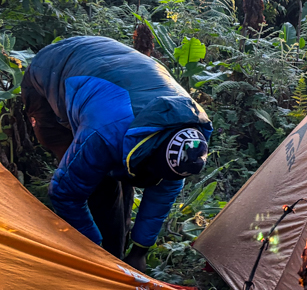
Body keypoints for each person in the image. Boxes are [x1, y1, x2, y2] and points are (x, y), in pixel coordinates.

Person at [23, 36, 212, 271]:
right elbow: (65, 193)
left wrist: (140, 251)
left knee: (123, 174)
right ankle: (96, 256)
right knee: (96, 184)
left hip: (111, 72)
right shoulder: (104, 132)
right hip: (50, 72)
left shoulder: (187, 142)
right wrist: (95, 252)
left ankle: (117, 248)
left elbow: (163, 192)